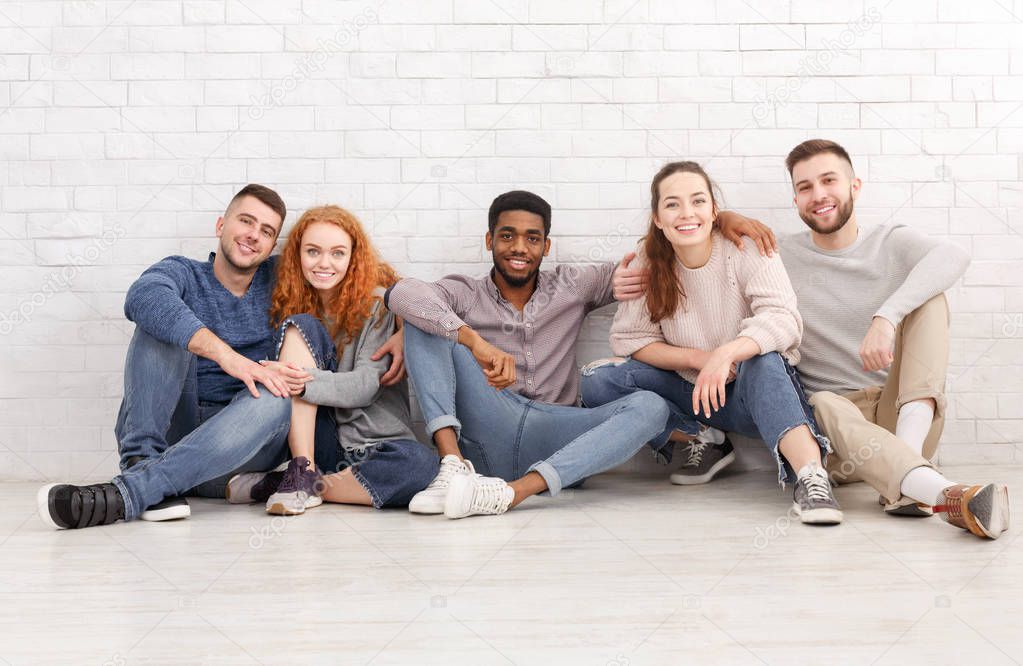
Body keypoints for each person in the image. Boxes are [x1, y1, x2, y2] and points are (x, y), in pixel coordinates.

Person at [615, 140, 1010, 540]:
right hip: (833, 429)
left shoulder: (890, 241)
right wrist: (723, 218)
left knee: (931, 299)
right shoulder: (774, 251)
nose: (818, 195)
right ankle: (937, 491)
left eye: (828, 181)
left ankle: (907, 470)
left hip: (901, 411)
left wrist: (887, 317)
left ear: (855, 185)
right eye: (805, 187)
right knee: (821, 401)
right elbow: (700, 233)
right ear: (795, 199)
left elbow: (954, 256)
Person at [386, 190, 775, 519]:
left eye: (532, 238)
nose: (519, 248)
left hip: (558, 434)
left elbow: (665, 253)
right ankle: (452, 468)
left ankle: (512, 494)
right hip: (488, 423)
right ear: (489, 241)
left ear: (546, 245)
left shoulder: (571, 285)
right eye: (507, 236)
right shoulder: (463, 292)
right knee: (422, 321)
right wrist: (474, 342)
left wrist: (720, 220)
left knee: (649, 407)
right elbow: (403, 292)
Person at [38, 186, 403, 530]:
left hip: (242, 444)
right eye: (246, 221)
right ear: (221, 225)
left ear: (273, 245)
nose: (253, 235)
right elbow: (141, 297)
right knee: (159, 322)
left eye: (266, 231)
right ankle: (142, 465)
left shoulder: (282, 277)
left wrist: (405, 327)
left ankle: (134, 490)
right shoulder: (183, 273)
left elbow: (367, 272)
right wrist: (226, 356)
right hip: (177, 427)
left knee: (279, 395)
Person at [581, 161, 842, 525]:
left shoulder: (747, 247)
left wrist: (727, 353)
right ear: (657, 218)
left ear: (714, 211)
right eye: (672, 204)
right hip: (690, 394)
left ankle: (811, 478)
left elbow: (783, 320)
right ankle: (702, 437)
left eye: (698, 201)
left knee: (766, 359)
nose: (686, 213)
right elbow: (632, 340)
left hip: (747, 394)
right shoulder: (648, 261)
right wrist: (698, 358)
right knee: (598, 379)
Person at [225, 205, 439, 514]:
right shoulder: (291, 305)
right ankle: (302, 469)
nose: (324, 263)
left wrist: (300, 381)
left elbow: (365, 386)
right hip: (321, 442)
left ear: (353, 257)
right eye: (313, 252)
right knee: (302, 323)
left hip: (378, 444)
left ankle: (300, 484)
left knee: (421, 465)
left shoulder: (379, 306)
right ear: (298, 256)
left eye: (337, 253)